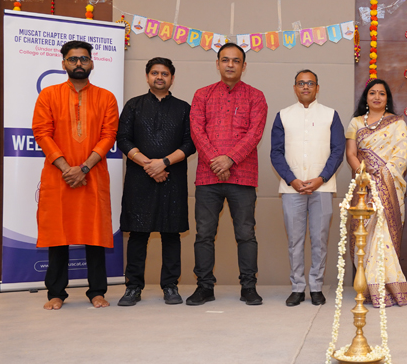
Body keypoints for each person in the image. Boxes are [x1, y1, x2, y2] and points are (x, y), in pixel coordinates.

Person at [33, 40, 119, 310]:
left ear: (92, 63)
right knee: (58, 233)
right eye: (73, 59)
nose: (79, 63)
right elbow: (42, 133)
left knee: (94, 233)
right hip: (58, 177)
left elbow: (109, 136)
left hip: (92, 174)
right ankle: (56, 293)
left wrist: (83, 168)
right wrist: (66, 169)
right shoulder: (49, 95)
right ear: (64, 64)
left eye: (83, 58)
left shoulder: (106, 97)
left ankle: (97, 291)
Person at [188, 43, 268, 306]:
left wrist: (230, 159)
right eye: (225, 60)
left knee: (246, 233)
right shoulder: (202, 95)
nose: (230, 65)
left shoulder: (256, 96)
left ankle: (248, 287)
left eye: (236, 60)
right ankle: (204, 287)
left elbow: (255, 133)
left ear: (244, 66)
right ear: (217, 64)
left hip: (243, 176)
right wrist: (216, 161)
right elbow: (197, 131)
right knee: (204, 234)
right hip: (207, 176)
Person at [116, 57, 195, 306]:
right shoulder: (133, 105)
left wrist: (164, 163)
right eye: (154, 73)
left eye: (164, 74)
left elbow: (190, 143)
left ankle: (170, 286)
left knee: (171, 233)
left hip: (172, 178)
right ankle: (133, 287)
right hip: (139, 178)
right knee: (138, 234)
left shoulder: (183, 108)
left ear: (172, 78)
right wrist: (149, 165)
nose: (159, 77)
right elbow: (123, 139)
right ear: (147, 76)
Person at [270, 69, 344, 307]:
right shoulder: (283, 116)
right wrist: (292, 179)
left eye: (310, 83)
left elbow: (338, 150)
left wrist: (321, 178)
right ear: (295, 88)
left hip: (322, 187)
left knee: (320, 239)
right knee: (295, 240)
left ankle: (316, 287)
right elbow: (276, 152)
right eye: (301, 83)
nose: (305, 87)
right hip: (292, 188)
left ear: (317, 88)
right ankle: (297, 288)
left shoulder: (330, 115)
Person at [345, 79, 407, 307]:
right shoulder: (356, 122)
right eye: (372, 93)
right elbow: (351, 153)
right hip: (363, 187)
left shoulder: (397, 123)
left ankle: (386, 287)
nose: (377, 97)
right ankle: (367, 288)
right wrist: (364, 176)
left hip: (389, 188)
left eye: (381, 93)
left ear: (387, 98)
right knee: (363, 237)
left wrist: (381, 176)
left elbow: (401, 156)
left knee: (383, 237)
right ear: (366, 97)